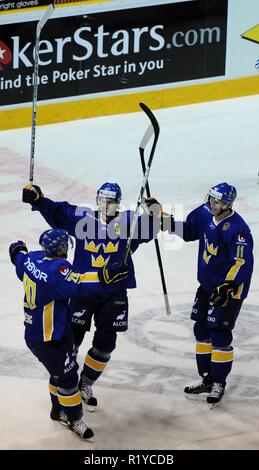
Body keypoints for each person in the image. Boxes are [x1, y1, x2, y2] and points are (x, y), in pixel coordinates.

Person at [22, 182, 161, 411]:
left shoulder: (129, 222)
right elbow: (57, 212)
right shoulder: (82, 218)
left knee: (106, 344)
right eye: (102, 200)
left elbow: (154, 227)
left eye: (111, 201)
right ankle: (63, 393)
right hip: (82, 291)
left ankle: (85, 384)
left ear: (118, 202)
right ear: (97, 200)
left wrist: (155, 212)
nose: (106, 204)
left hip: (113, 293)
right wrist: (37, 199)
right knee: (70, 343)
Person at [9, 228, 129, 438]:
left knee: (62, 372)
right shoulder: (57, 269)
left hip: (50, 331)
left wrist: (17, 249)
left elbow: (17, 255)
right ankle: (73, 418)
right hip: (47, 338)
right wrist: (105, 276)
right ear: (63, 249)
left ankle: (58, 410)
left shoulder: (31, 259)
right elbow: (80, 284)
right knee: (67, 379)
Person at [162, 182, 254, 405]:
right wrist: (160, 217)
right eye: (211, 199)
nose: (212, 203)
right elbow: (187, 231)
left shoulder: (238, 229)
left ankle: (219, 383)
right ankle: (207, 378)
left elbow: (242, 262)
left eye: (218, 201)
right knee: (201, 329)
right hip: (206, 286)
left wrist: (228, 286)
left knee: (219, 334)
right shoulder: (204, 213)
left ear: (228, 204)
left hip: (227, 290)